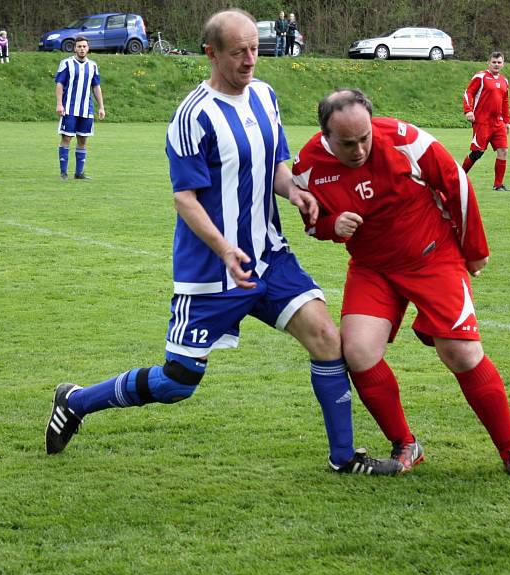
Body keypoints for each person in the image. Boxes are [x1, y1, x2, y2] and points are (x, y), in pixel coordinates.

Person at [45, 11, 402, 477]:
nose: (251, 59)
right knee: (178, 381)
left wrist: (294, 192)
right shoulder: (193, 115)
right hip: (211, 269)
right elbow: (185, 198)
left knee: (326, 340)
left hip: (269, 256)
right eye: (239, 51)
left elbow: (276, 164)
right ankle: (76, 401)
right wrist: (223, 248)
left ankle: (344, 458)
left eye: (255, 48)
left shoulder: (266, 97)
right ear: (211, 53)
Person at [291, 89, 510, 484]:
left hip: (432, 256)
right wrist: (331, 226)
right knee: (357, 351)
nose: (358, 149)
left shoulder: (405, 140)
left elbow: (456, 182)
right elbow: (312, 222)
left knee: (460, 352)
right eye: (346, 143)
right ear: (325, 135)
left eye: (364, 138)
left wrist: (473, 249)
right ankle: (406, 444)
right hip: (373, 268)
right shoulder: (307, 166)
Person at [55, 36, 105, 180]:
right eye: (79, 46)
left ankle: (79, 173)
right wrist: (59, 104)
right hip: (69, 108)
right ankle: (63, 173)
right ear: (75, 48)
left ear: (88, 48)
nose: (82, 49)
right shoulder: (66, 63)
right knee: (67, 138)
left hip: (86, 109)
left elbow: (96, 86)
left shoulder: (93, 66)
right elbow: (59, 84)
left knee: (83, 140)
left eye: (84, 46)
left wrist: (101, 107)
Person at [461, 52, 510, 192]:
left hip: (498, 123)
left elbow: (505, 102)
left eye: (499, 62)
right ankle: (459, 177)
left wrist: (507, 121)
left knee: (503, 151)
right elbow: (468, 93)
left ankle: (498, 184)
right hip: (482, 122)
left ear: (503, 64)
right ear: (489, 63)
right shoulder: (481, 77)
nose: (496, 64)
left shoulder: (504, 81)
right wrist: (468, 110)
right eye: (494, 62)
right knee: (477, 153)